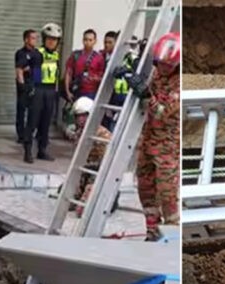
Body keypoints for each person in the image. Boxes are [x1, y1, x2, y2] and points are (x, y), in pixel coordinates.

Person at [124, 32, 180, 241]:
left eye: (167, 65)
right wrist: (131, 74)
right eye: (159, 64)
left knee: (167, 194)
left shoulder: (180, 85)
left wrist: (146, 95)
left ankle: (173, 237)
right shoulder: (157, 73)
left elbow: (163, 113)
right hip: (148, 142)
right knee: (146, 190)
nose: (162, 69)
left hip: (167, 148)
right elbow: (147, 82)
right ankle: (152, 233)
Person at [21, 23, 61, 163]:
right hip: (39, 90)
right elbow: (35, 73)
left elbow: (55, 74)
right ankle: (27, 151)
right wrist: (32, 90)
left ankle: (42, 150)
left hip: (50, 91)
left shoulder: (56, 55)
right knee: (33, 122)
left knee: (45, 123)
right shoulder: (38, 54)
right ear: (44, 39)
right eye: (49, 39)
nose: (52, 41)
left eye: (55, 39)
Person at [67, 96, 113, 217]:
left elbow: (107, 162)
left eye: (83, 115)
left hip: (97, 173)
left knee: (82, 211)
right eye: (78, 116)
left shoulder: (102, 135)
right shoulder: (80, 132)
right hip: (83, 171)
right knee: (67, 199)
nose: (80, 119)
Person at [64, 29, 105, 102]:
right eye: (85, 40)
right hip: (76, 90)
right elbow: (68, 73)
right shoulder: (75, 55)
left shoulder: (99, 58)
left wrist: (94, 78)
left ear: (95, 41)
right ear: (83, 40)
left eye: (90, 40)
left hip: (91, 93)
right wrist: (67, 91)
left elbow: (102, 77)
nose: (87, 42)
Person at [15, 29, 38, 144]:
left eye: (36, 38)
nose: (35, 40)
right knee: (21, 110)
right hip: (24, 84)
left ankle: (31, 132)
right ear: (26, 39)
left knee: (33, 110)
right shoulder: (21, 53)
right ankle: (21, 135)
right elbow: (19, 70)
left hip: (34, 83)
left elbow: (37, 69)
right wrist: (22, 85)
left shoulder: (37, 53)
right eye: (33, 38)